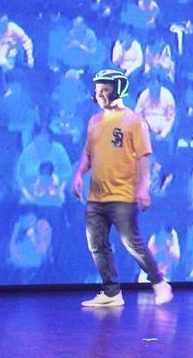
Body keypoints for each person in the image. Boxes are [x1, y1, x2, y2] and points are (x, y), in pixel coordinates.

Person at [71, 69, 173, 307]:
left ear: (117, 91)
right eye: (97, 91)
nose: (99, 95)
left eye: (105, 90)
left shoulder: (134, 120)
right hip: (96, 195)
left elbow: (144, 157)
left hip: (123, 194)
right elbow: (88, 154)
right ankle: (111, 292)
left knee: (131, 242)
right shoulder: (94, 122)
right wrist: (78, 174)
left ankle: (159, 283)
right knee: (97, 245)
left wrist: (143, 188)